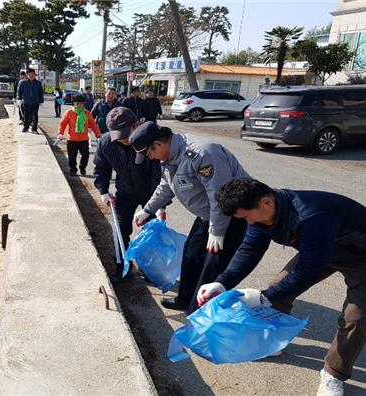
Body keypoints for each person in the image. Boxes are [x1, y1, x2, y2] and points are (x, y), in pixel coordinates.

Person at [196, 179, 366, 396]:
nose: (249, 221)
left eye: (248, 216)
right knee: (278, 289)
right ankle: (275, 342)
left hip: (360, 255)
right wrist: (222, 282)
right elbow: (250, 249)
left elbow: (308, 270)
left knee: (356, 317)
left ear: (266, 202)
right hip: (320, 250)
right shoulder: (260, 218)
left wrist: (263, 297)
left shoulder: (311, 216)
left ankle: (333, 374)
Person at [129, 122, 251, 313]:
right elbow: (166, 185)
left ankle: (199, 311)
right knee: (191, 256)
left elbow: (220, 197)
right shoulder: (170, 157)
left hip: (232, 215)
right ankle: (185, 299)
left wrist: (218, 232)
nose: (150, 158)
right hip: (206, 215)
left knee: (212, 265)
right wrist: (148, 209)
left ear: (158, 144)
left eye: (148, 153)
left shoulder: (203, 154)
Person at [93, 108, 161, 281]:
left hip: (150, 194)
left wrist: (159, 204)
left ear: (136, 124)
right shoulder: (107, 143)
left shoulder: (151, 140)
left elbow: (159, 174)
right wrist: (103, 190)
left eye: (125, 134)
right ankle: (122, 265)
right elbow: (102, 168)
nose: (123, 140)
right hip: (125, 192)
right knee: (119, 230)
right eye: (118, 135)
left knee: (151, 233)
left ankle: (148, 268)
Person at [57, 94, 101, 176]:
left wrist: (98, 134)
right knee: (72, 157)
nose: (79, 105)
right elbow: (62, 124)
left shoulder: (87, 113)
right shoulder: (69, 113)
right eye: (77, 103)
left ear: (83, 104)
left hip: (84, 139)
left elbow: (93, 125)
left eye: (80, 103)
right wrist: (60, 133)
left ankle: (82, 168)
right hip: (72, 139)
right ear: (74, 104)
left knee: (85, 155)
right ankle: (73, 170)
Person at [17, 68, 44, 133]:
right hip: (26, 102)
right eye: (30, 74)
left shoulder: (38, 83)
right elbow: (19, 92)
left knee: (35, 116)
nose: (31, 76)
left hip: (35, 102)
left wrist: (41, 101)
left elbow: (40, 92)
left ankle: (34, 129)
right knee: (26, 116)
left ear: (35, 75)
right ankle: (26, 127)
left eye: (33, 74)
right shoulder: (23, 83)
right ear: (27, 75)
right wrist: (19, 99)